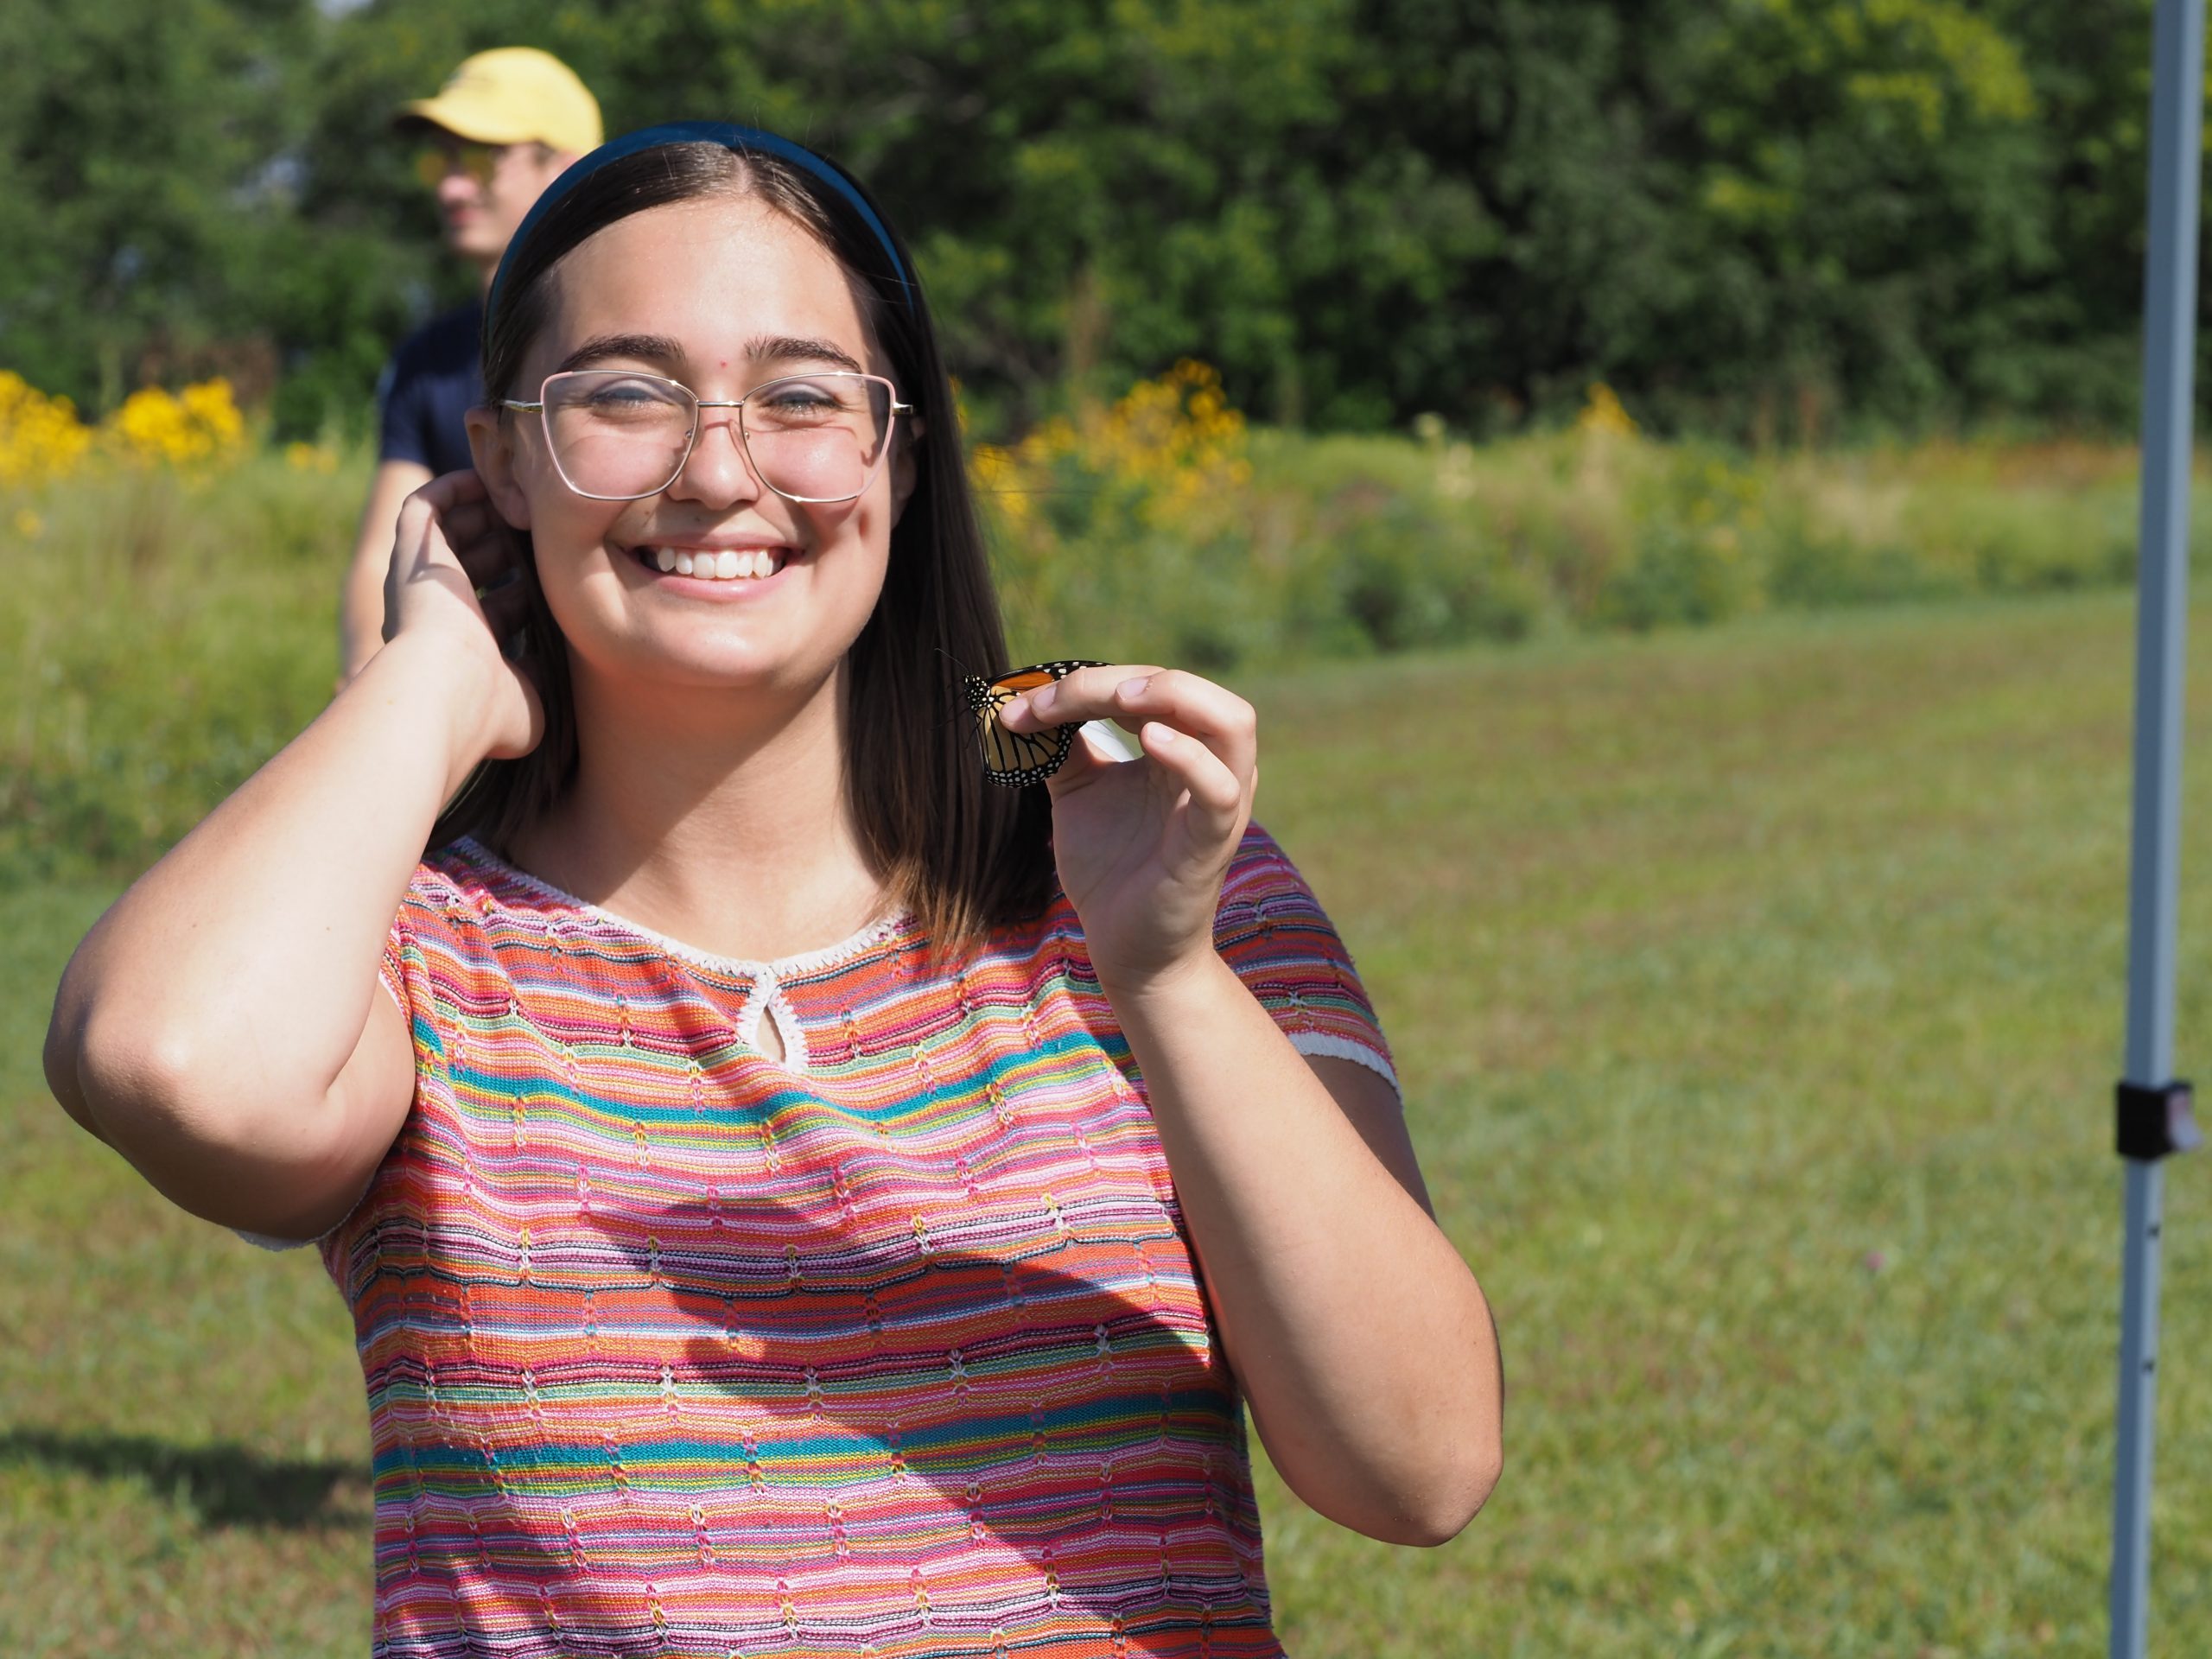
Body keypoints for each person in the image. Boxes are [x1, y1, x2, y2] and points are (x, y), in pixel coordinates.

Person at [46, 122, 1502, 1656]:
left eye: (802, 395)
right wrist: (435, 675)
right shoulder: (407, 956)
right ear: (502, 461)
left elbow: (1417, 1465)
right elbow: (171, 1060)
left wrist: (1172, 978)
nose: (719, 469)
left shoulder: (1154, 876)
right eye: (623, 393)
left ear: (903, 451)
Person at [338, 47, 601, 682]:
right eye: (442, 160)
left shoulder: (635, 349)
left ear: (566, 168)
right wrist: (371, 708)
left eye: (483, 158)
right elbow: (387, 552)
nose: (452, 185)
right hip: (481, 704)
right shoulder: (425, 362)